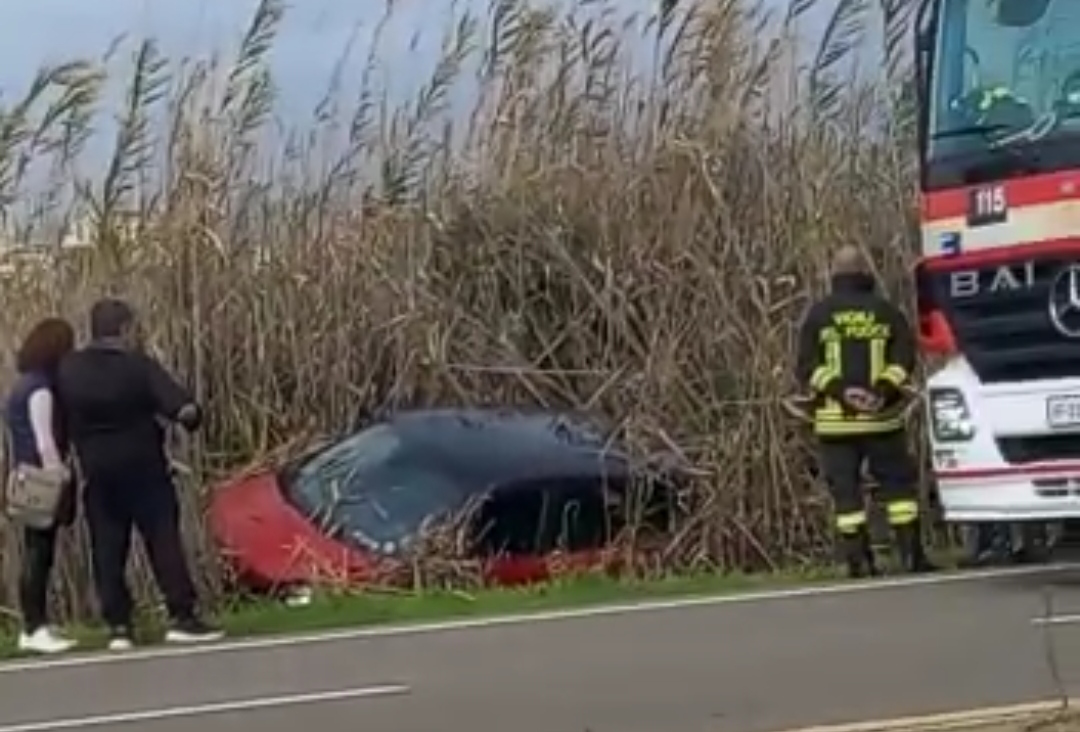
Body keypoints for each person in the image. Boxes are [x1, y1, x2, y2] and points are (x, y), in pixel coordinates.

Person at [56, 298, 222, 649]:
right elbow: (185, 411)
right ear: (125, 329)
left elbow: (58, 420)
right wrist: (187, 417)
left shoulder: (69, 371)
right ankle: (181, 616)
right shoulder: (139, 367)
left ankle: (119, 625)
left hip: (97, 472)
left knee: (107, 549)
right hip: (144, 468)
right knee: (163, 540)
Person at [796, 246, 936, 578]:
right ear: (866, 274)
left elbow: (806, 366)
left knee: (846, 493)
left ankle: (858, 562)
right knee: (898, 489)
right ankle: (912, 556)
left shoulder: (819, 314)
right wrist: (881, 392)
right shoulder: (886, 312)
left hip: (835, 423)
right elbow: (904, 359)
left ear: (834, 275)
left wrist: (843, 393)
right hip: (882, 420)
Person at [3, 318, 79, 654]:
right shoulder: (41, 389)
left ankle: (35, 624)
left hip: (22, 474)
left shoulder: (21, 386)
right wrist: (59, 472)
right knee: (39, 553)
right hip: (39, 480)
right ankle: (34, 627)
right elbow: (44, 438)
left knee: (35, 550)